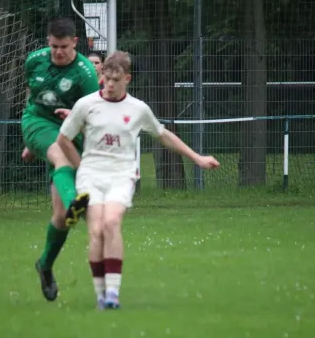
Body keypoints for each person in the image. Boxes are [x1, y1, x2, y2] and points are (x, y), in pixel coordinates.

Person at [56, 51, 221, 309]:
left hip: (122, 175)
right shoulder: (86, 105)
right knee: (96, 231)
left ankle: (113, 294)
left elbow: (163, 135)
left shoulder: (138, 109)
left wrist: (197, 158)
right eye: (106, 78)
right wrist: (81, 166)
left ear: (128, 79)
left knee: (111, 223)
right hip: (91, 175)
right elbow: (63, 139)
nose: (110, 84)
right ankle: (101, 295)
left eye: (116, 79)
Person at [20, 17, 100, 302]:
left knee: (60, 220)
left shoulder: (86, 73)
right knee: (59, 156)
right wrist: (34, 142)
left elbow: (94, 117)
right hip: (37, 123)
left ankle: (45, 265)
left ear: (75, 43)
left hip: (71, 132)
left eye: (63, 47)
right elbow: (33, 97)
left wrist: (73, 119)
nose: (58, 52)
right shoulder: (34, 61)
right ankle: (78, 203)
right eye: (53, 46)